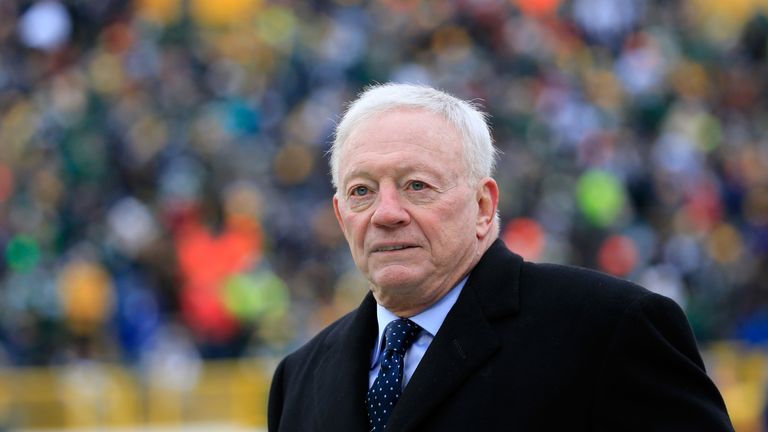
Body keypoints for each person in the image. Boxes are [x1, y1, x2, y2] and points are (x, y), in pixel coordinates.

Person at [267, 83, 734, 431]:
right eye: (362, 191)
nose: (386, 213)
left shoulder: (611, 328)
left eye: (417, 186)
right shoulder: (299, 377)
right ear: (340, 214)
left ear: (484, 206)